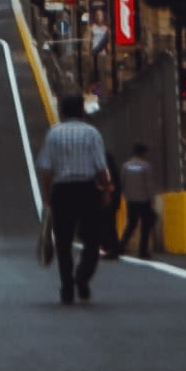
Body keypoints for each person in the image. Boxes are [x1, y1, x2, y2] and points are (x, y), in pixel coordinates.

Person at [35, 93, 116, 302]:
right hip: (87, 190)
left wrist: (47, 196)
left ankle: (67, 287)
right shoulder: (92, 133)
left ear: (62, 111)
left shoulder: (53, 134)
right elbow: (101, 167)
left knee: (63, 242)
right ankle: (82, 276)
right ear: (81, 110)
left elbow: (46, 169)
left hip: (62, 191)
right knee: (92, 239)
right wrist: (106, 190)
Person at [117, 144, 164, 262]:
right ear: (143, 153)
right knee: (145, 226)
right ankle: (142, 251)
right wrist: (152, 199)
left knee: (131, 224)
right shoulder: (145, 166)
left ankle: (121, 246)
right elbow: (148, 184)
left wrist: (126, 195)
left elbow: (122, 182)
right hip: (144, 200)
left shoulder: (126, 166)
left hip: (131, 200)